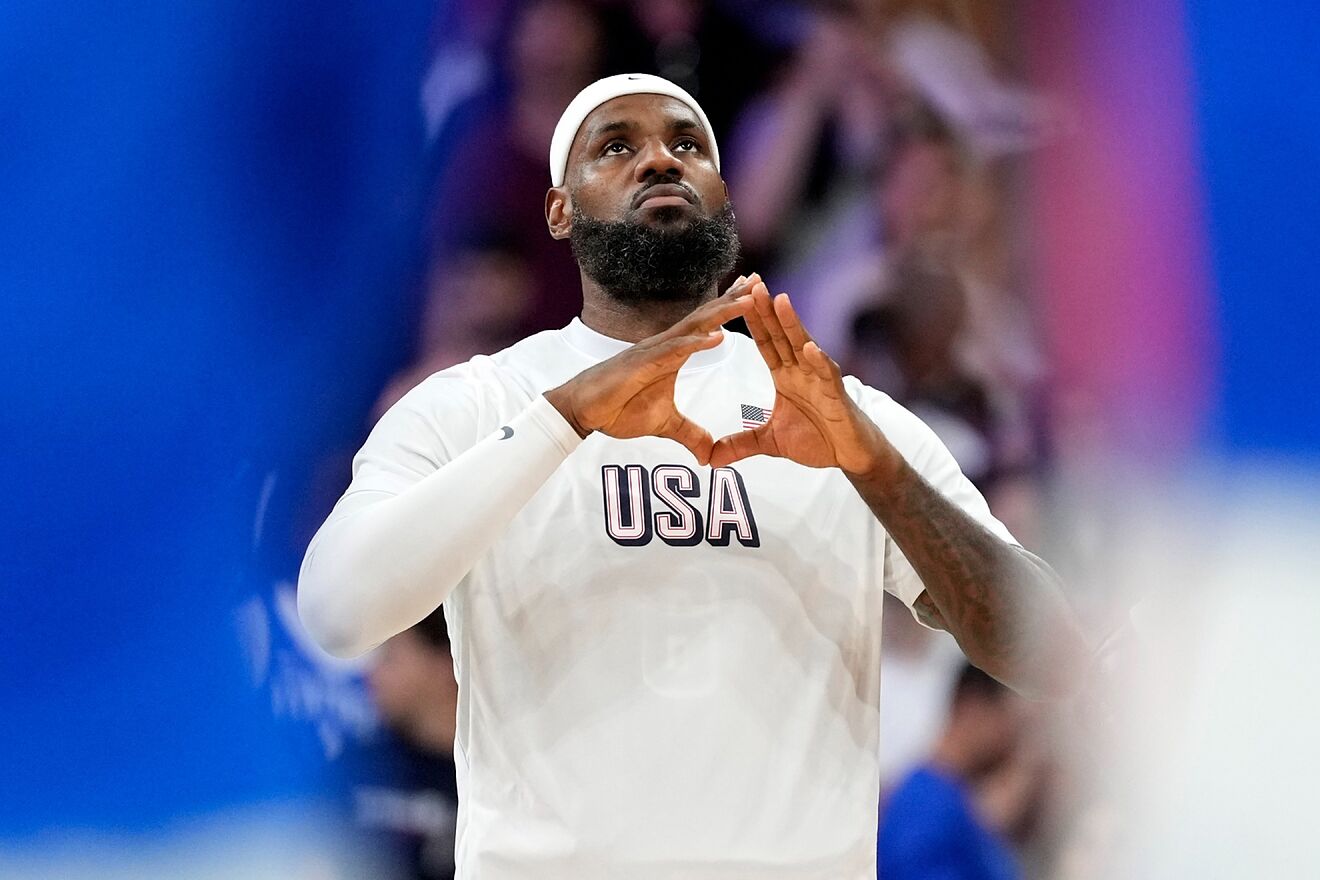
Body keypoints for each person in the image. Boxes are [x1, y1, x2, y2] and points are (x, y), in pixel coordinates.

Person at [298, 73, 1086, 879]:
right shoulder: (475, 406)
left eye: (687, 145)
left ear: (724, 199)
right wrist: (559, 419)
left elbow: (1048, 656)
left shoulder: (842, 415)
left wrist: (878, 471)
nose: (659, 162)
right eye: (616, 147)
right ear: (559, 210)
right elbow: (337, 613)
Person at [878, 664, 1037, 880]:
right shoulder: (925, 804)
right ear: (974, 707)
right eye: (1013, 724)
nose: (1013, 744)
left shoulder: (959, 804)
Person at [347, 610, 461, 880]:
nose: (371, 672)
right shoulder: (354, 771)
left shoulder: (497, 772)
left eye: (388, 656)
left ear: (445, 662)